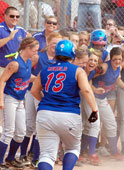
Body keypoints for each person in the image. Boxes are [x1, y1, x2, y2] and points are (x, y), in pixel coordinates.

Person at [31, 40, 98, 170]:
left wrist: (46, 101)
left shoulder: (45, 70)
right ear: (72, 54)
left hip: (45, 114)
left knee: (47, 155)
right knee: (72, 148)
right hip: (69, 114)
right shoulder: (77, 70)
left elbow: (34, 91)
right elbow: (86, 90)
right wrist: (94, 109)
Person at [19, 32, 62, 168]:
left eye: (58, 43)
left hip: (47, 94)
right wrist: (37, 79)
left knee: (40, 126)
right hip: (32, 91)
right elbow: (26, 71)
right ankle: (22, 155)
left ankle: (36, 158)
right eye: (54, 42)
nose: (56, 46)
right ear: (48, 43)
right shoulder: (39, 57)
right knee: (29, 125)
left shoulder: (60, 59)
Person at [0, 37, 39, 170]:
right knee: (8, 131)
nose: (36, 53)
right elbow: (2, 80)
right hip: (9, 98)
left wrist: (41, 79)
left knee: (20, 133)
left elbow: (27, 78)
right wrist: (1, 100)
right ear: (27, 48)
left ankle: (10, 159)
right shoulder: (15, 64)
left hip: (19, 100)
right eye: (34, 50)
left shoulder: (28, 62)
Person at [92, 47, 124, 160]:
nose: (117, 61)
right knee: (93, 124)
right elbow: (88, 76)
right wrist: (93, 89)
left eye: (119, 59)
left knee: (111, 123)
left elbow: (117, 79)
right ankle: (88, 152)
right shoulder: (104, 67)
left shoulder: (119, 68)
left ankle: (114, 152)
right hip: (92, 97)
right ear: (110, 59)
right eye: (115, 59)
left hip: (102, 98)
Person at [0, 6, 28, 72]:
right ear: (5, 16)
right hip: (2, 68)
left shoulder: (21, 30)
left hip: (17, 67)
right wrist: (9, 38)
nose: (15, 18)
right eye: (12, 16)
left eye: (17, 16)